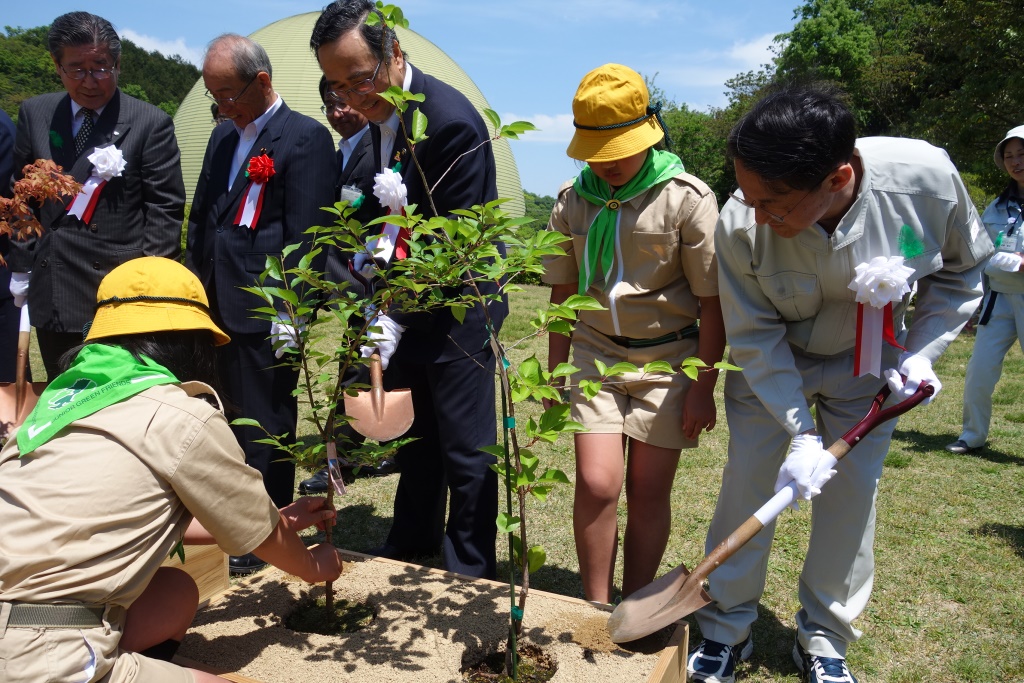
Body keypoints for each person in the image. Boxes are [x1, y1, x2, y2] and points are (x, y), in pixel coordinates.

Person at [686, 85, 992, 683]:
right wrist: (799, 432)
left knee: (852, 498)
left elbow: (962, 272)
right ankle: (726, 625)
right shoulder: (740, 218)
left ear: (838, 176)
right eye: (749, 196)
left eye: (774, 203)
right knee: (749, 485)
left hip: (872, 366)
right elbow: (752, 333)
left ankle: (824, 635)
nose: (759, 213)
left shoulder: (925, 182)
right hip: (774, 366)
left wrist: (924, 353)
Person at [0, 256, 343, 683]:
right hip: (37, 653)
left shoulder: (57, 405)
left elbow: (119, 513)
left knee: (174, 591)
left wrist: (279, 520)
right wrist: (315, 568)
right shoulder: (179, 415)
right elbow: (260, 534)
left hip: (19, 616)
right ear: (191, 341)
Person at [311, 0, 508, 579]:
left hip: (456, 306)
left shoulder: (448, 122)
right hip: (401, 302)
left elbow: (450, 243)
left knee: (467, 449)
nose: (351, 94)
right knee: (418, 436)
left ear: (396, 54)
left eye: (361, 77)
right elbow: (384, 211)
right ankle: (413, 538)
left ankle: (469, 568)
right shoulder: (379, 118)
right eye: (337, 83)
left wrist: (389, 311)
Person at [541, 64, 725, 604]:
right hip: (595, 355)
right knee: (598, 484)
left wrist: (703, 385)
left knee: (649, 492)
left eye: (620, 144)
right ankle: (596, 606)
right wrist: (557, 364)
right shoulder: (573, 200)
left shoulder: (687, 199)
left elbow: (711, 305)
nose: (609, 160)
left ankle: (637, 602)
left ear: (648, 132)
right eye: (596, 149)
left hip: (668, 363)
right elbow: (563, 292)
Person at [185, 34, 336, 575]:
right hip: (214, 306)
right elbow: (203, 218)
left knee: (265, 423)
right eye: (213, 96)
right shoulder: (223, 139)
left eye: (226, 94)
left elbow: (309, 237)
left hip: (267, 309)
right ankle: (231, 522)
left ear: (262, 82)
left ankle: (269, 532)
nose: (220, 106)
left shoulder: (306, 138)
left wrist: (292, 311)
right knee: (222, 426)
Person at [6, 12, 184, 381]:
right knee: (63, 391)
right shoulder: (36, 113)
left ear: (118, 65)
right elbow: (20, 197)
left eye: (100, 68)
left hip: (116, 289)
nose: (90, 81)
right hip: (53, 280)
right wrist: (21, 266)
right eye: (77, 69)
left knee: (115, 394)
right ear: (57, 67)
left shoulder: (149, 122)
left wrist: (148, 285)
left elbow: (164, 210)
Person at [298, 75, 393, 496]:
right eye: (329, 106)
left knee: (356, 366)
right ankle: (381, 447)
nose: (339, 113)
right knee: (361, 364)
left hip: (373, 276)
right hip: (339, 274)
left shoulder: (380, 148)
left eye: (344, 102)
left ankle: (345, 459)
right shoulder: (337, 153)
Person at [946, 125, 1024, 455]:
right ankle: (972, 435)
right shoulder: (996, 207)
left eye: (1022, 154)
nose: (1015, 162)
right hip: (1000, 300)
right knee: (980, 370)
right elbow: (978, 253)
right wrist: (1014, 263)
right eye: (1009, 156)